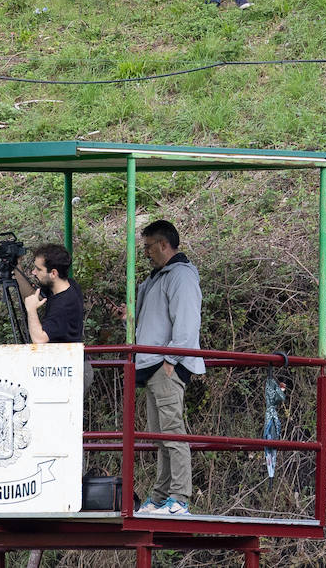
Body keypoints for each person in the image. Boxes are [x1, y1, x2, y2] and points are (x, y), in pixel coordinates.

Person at [133, 220, 204, 517]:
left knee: (173, 432)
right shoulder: (158, 278)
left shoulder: (181, 276)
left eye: (148, 247)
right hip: (153, 364)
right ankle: (161, 497)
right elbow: (153, 319)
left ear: (163, 244)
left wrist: (171, 361)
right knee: (159, 434)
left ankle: (179, 498)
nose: (146, 253)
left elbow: (186, 323)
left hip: (166, 364)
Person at [23, 243, 84, 345]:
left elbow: (39, 340)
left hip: (66, 359)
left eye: (38, 269)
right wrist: (16, 266)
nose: (34, 272)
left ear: (53, 273)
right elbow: (32, 295)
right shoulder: (68, 285)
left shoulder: (64, 305)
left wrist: (31, 310)